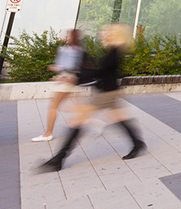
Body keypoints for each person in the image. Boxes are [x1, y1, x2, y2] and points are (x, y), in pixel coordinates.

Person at [41, 24, 145, 172]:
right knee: (119, 118)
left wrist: (75, 78)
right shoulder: (113, 50)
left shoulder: (115, 52)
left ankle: (59, 159)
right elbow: (103, 72)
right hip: (109, 90)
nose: (105, 33)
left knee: (77, 121)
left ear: (117, 34)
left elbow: (100, 72)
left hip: (107, 93)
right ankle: (138, 143)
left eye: (109, 32)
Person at [33, 29, 85, 142]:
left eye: (68, 36)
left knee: (53, 106)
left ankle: (48, 134)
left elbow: (67, 66)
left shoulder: (68, 50)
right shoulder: (78, 49)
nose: (66, 37)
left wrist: (55, 70)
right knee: (75, 106)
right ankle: (95, 122)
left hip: (66, 79)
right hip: (71, 79)